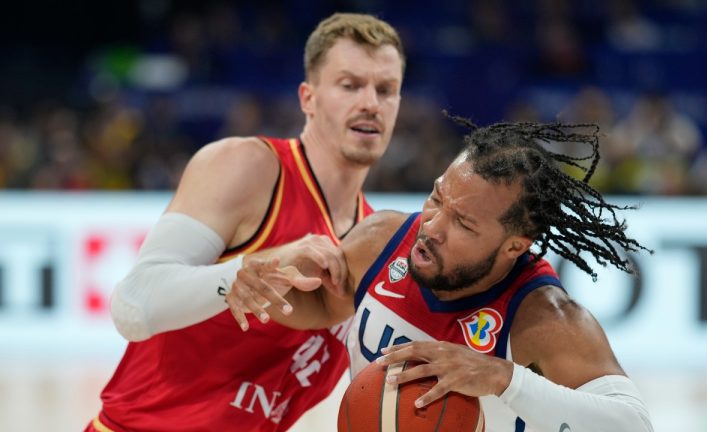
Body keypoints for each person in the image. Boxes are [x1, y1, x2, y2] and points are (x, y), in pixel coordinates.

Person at [228, 116, 655, 431]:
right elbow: (321, 303)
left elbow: (634, 424)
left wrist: (503, 378)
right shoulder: (384, 240)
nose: (431, 226)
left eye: (464, 224)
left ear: (515, 246)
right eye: (437, 198)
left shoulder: (544, 320)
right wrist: (259, 283)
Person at [88, 13, 405, 432]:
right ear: (307, 98)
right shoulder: (247, 167)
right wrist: (243, 273)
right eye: (350, 85)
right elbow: (133, 306)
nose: (370, 102)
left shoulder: (370, 245)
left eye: (386, 90)